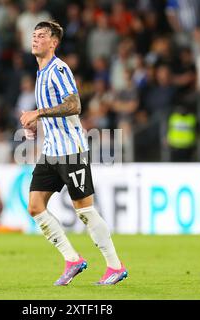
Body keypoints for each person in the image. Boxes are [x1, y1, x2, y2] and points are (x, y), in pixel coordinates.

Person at [20, 21, 127, 286]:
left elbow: (74, 104)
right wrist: (36, 125)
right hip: (50, 152)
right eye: (33, 35)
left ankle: (115, 266)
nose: (35, 39)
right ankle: (73, 259)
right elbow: (52, 110)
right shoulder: (40, 73)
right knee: (35, 207)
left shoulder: (59, 68)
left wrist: (39, 113)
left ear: (53, 42)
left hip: (71, 151)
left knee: (84, 211)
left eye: (41, 36)